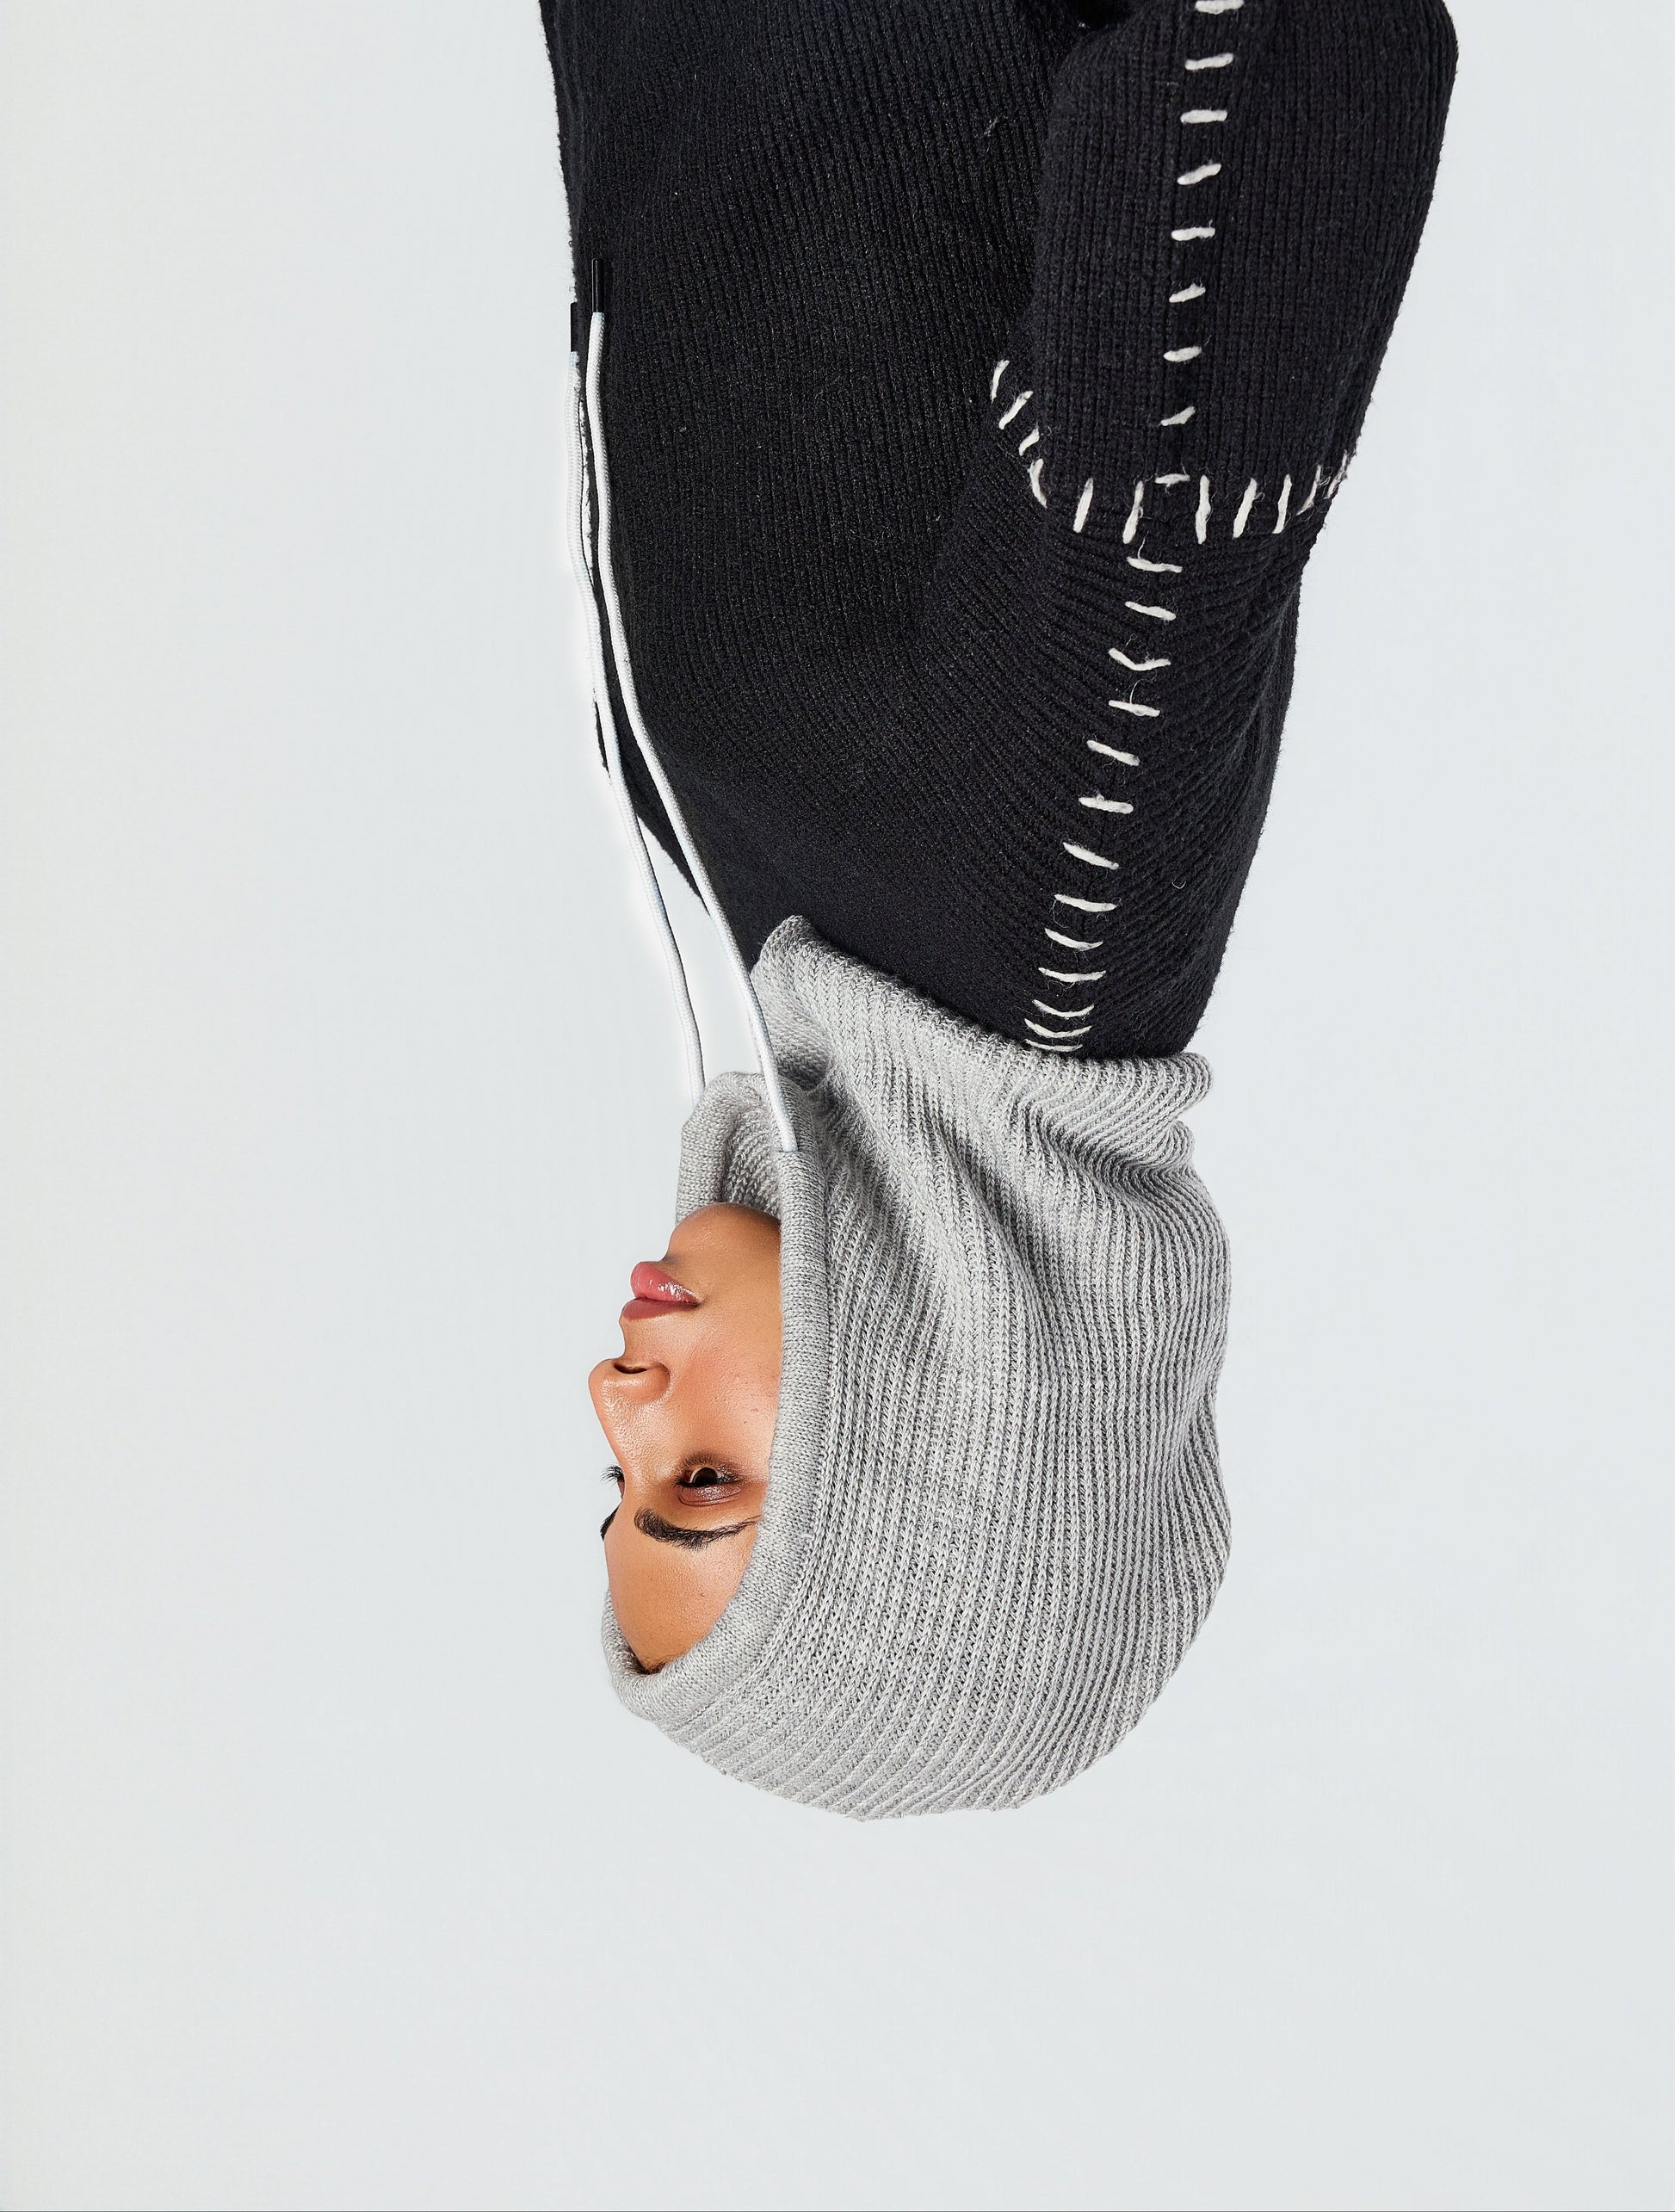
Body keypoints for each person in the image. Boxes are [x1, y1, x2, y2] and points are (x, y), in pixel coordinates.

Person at [542, 0, 1456, 1817]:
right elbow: (1288, 82)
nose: (616, 1399)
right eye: (704, 1479)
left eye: (618, 1485)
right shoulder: (1052, 915)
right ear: (941, 1438)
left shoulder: (844, 998)